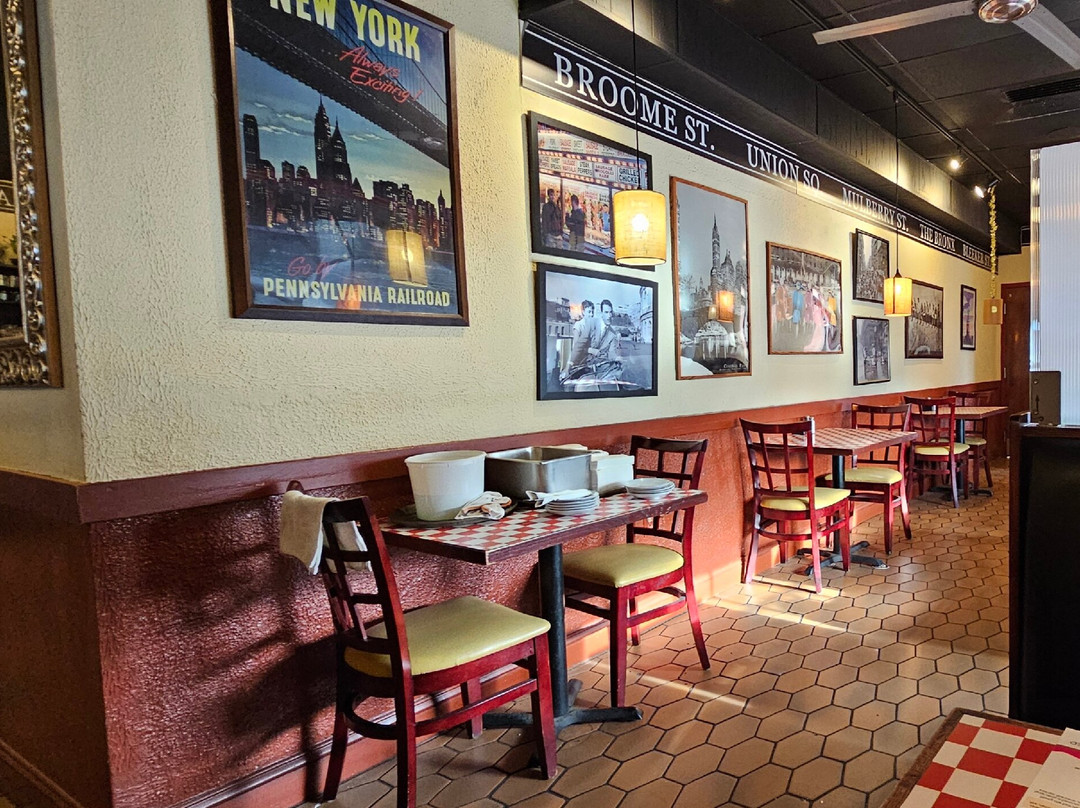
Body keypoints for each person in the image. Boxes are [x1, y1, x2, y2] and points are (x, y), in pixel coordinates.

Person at [569, 299, 601, 366]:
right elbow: (576, 347)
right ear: (583, 312)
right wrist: (591, 350)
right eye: (589, 312)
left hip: (590, 360)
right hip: (579, 360)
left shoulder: (593, 326)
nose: (591, 314)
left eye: (592, 312)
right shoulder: (579, 325)